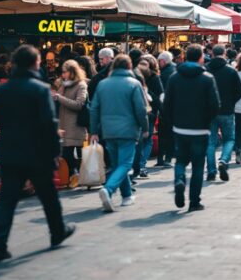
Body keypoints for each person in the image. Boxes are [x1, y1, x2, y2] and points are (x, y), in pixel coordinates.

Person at [0, 45, 75, 261]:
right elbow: (48, 123)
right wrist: (55, 151)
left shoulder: (3, 90)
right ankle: (57, 231)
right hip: (37, 152)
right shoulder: (40, 89)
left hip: (10, 151)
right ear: (35, 63)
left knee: (7, 199)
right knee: (48, 196)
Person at [163, 45, 220, 212]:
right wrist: (207, 120)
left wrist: (173, 121)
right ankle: (194, 201)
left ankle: (179, 180)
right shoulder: (207, 78)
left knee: (180, 160)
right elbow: (215, 105)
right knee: (197, 165)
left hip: (180, 128)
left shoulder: (174, 77)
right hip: (200, 129)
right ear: (201, 57)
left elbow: (167, 104)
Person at [89, 55, 149, 213]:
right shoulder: (134, 84)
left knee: (117, 165)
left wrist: (94, 131)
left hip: (108, 131)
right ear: (129, 66)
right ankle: (108, 190)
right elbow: (141, 110)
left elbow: (94, 108)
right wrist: (146, 127)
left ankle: (127, 196)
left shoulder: (102, 84)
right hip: (128, 130)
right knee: (125, 164)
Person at [206, 45, 241, 181]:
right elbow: (240, 91)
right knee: (229, 139)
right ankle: (223, 160)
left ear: (212, 54)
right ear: (224, 54)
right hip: (227, 110)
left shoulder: (206, 69)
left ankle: (211, 170)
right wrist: (231, 101)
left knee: (210, 142)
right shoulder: (230, 71)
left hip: (209, 111)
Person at [54, 59, 88, 189]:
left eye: (65, 72)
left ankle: (77, 175)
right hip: (63, 125)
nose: (62, 75)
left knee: (71, 153)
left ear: (72, 72)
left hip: (75, 125)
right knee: (66, 153)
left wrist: (59, 98)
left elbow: (79, 104)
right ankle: (74, 175)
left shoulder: (81, 85)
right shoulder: (64, 84)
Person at [134, 55, 163, 179]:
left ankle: (137, 165)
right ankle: (141, 165)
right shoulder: (155, 77)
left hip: (136, 112)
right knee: (148, 139)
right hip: (150, 112)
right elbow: (160, 95)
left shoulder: (133, 77)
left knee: (139, 140)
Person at [156, 51, 176, 167]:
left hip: (165, 106)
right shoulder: (174, 70)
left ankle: (163, 158)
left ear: (163, 61)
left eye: (159, 61)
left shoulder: (165, 73)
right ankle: (167, 157)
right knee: (169, 134)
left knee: (163, 134)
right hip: (172, 107)